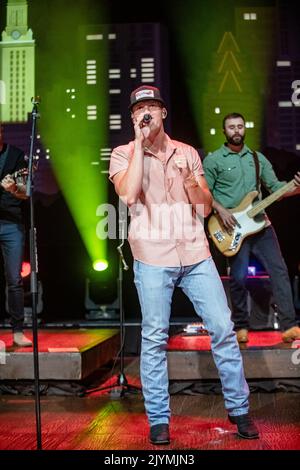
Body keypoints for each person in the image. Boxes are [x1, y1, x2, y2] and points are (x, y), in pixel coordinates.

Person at [109, 86, 258, 445]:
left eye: (151, 108)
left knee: (223, 327)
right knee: (155, 336)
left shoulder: (187, 153)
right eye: (139, 110)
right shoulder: (122, 154)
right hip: (152, 256)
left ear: (163, 113)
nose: (146, 114)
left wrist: (190, 179)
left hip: (194, 253)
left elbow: (205, 207)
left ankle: (239, 410)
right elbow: (128, 195)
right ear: (133, 117)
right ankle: (159, 419)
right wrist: (139, 147)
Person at [203, 112, 300, 344]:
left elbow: (276, 189)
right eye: (231, 127)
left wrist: (296, 187)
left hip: (261, 225)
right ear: (224, 131)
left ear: (244, 129)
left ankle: (289, 326)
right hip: (230, 227)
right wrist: (220, 210)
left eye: (239, 126)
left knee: (280, 271)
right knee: (238, 277)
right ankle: (241, 326)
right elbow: (203, 193)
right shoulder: (214, 160)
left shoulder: (257, 159)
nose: (236, 130)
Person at [0, 124, 32, 347]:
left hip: (11, 223)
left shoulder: (16, 156)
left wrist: (12, 189)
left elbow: (25, 193)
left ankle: (18, 331)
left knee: (14, 279)